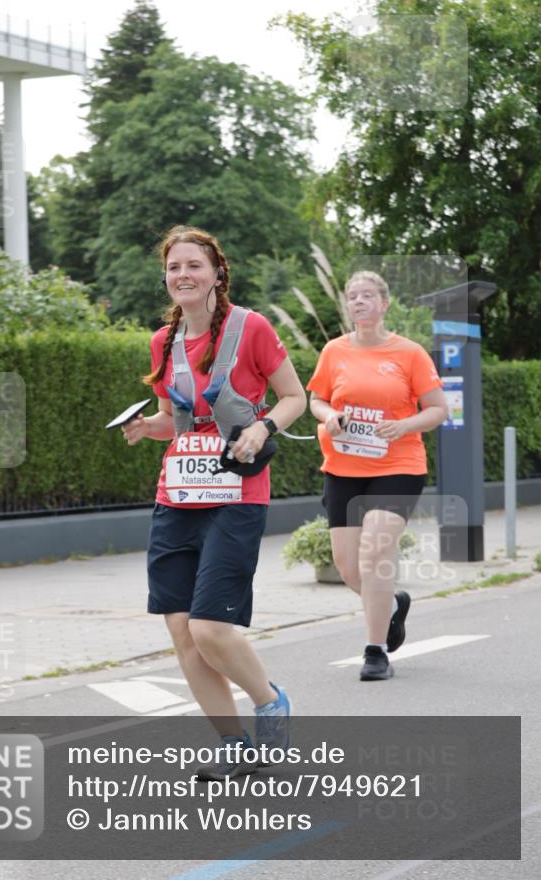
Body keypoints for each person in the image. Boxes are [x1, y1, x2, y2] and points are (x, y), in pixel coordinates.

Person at [122, 225, 306, 779]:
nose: (183, 275)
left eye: (194, 266)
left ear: (216, 273)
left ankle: (270, 701)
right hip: (177, 495)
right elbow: (176, 423)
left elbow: (296, 397)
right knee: (181, 632)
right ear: (166, 277)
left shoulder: (252, 328)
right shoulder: (163, 342)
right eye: (174, 267)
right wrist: (143, 427)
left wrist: (262, 427)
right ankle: (233, 745)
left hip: (237, 492)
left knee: (209, 629)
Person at [307, 270, 448, 681]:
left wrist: (405, 425)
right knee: (349, 568)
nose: (359, 302)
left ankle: (375, 652)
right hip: (343, 467)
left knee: (374, 552)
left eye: (368, 295)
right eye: (353, 297)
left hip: (398, 466)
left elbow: (437, 409)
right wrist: (330, 415)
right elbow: (317, 400)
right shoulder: (333, 351)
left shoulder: (410, 353)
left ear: (384, 304)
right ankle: (391, 607)